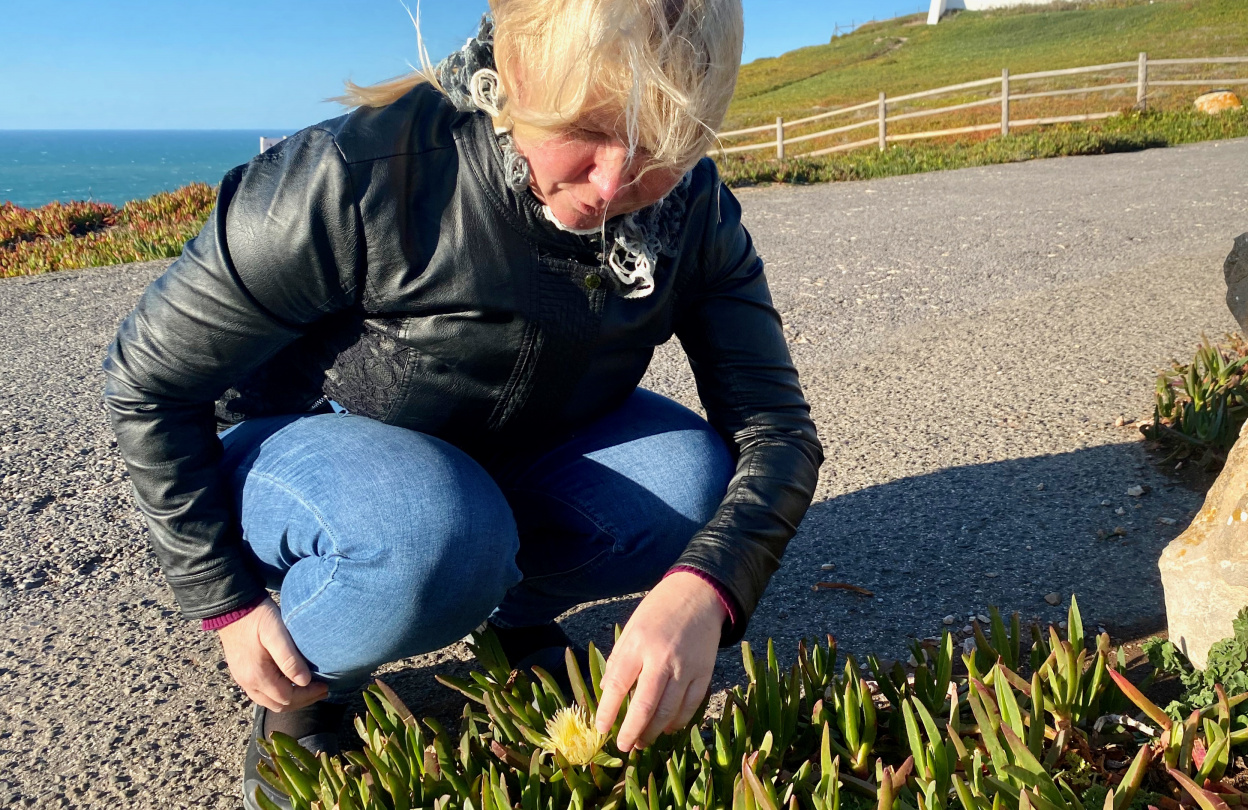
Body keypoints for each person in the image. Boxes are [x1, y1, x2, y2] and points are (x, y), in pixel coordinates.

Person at [101, 0, 822, 807]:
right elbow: (148, 381)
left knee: (692, 490)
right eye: (583, 123)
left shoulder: (692, 209)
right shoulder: (352, 176)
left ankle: (506, 610)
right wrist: (225, 602)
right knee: (431, 534)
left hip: (510, 440)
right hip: (313, 441)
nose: (614, 183)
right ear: (513, 74)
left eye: (659, 142)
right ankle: (313, 690)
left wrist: (707, 589)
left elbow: (777, 428)